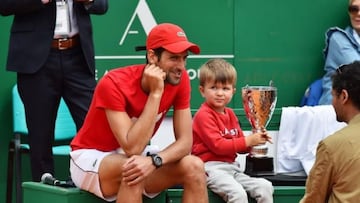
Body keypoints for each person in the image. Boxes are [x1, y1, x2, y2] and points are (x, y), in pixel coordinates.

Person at [69, 23, 209, 203]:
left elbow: (185, 143)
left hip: (134, 157)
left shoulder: (179, 81)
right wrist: (156, 93)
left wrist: (155, 161)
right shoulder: (113, 83)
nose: (181, 66)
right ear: (152, 56)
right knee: (133, 170)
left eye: (184, 58)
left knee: (194, 166)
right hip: (90, 156)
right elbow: (132, 148)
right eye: (174, 58)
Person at [0, 0, 108, 181]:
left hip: (78, 56)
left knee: (93, 127)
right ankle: (45, 192)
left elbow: (102, 5)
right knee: (40, 136)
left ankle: (87, 185)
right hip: (37, 59)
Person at [191, 58, 274, 203]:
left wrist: (256, 139)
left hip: (232, 169)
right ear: (202, 91)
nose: (220, 93)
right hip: (210, 170)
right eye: (214, 88)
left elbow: (242, 148)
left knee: (265, 187)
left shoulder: (230, 114)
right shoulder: (203, 115)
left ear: (233, 91)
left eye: (225, 88)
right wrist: (248, 141)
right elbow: (218, 146)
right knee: (238, 194)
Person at [300, 61, 360, 203]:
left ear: (344, 96)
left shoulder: (332, 146)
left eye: (333, 95)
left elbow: (313, 199)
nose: (332, 102)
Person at [318, 0, 360, 105]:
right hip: (335, 111)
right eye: (354, 9)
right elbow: (357, 72)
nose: (358, 13)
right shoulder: (339, 39)